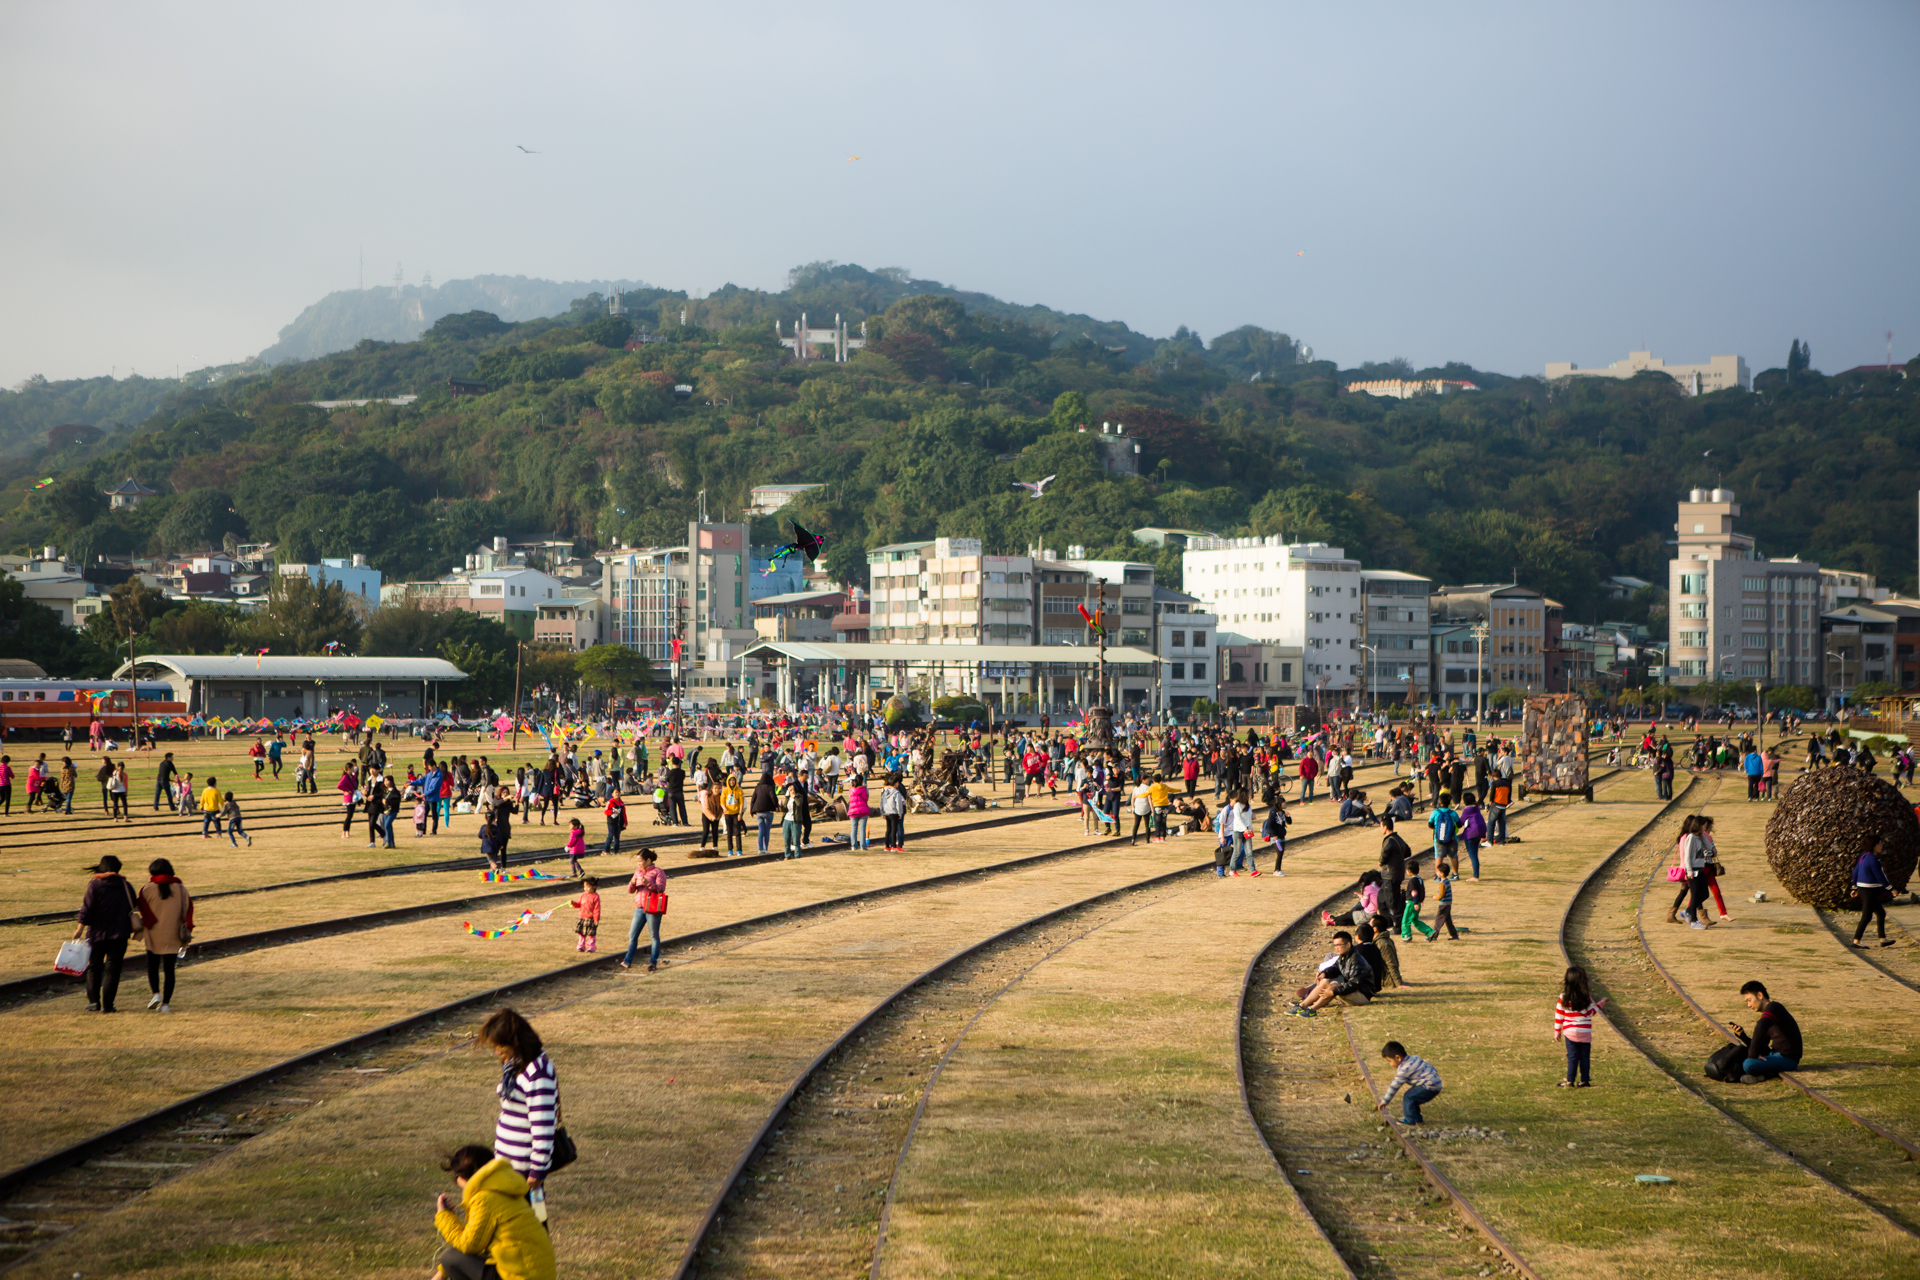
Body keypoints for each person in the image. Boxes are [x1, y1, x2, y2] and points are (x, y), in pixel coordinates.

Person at [431, 1143, 557, 1280]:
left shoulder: (484, 1199)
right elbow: (481, 1244)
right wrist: (441, 1274)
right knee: (453, 1258)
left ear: (465, 1176)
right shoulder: (504, 1187)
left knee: (449, 1257)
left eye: (456, 1176)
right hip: (537, 1273)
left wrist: (443, 1215)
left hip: (521, 1276)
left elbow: (469, 1245)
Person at [475, 1006, 559, 1194]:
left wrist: (537, 1170)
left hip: (523, 1171)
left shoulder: (538, 1073)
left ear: (515, 1042)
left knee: (527, 1222)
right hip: (508, 1166)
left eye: (500, 1046)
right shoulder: (517, 1066)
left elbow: (543, 1126)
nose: (497, 1052)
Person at [74, 854, 138, 1013]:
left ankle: (94, 1002)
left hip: (97, 935)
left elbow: (86, 909)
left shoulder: (94, 885)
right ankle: (108, 1005)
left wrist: (79, 929)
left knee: (94, 967)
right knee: (113, 969)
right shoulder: (126, 885)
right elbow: (133, 906)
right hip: (120, 934)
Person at [136, 857, 192, 1012]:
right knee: (169, 970)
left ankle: (156, 993)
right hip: (173, 933)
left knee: (152, 966)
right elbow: (187, 912)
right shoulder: (181, 889)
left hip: (153, 932)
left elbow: (140, 908)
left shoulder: (147, 889)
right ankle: (166, 1004)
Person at [1730, 980, 1802, 1082]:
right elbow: (1762, 1047)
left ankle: (1762, 1075)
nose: (1749, 1005)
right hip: (1775, 1055)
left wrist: (1752, 1056)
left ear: (1759, 995)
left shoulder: (1774, 1007)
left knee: (1748, 1064)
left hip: (1787, 1059)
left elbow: (1760, 1026)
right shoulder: (1769, 1016)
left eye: (1749, 1000)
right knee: (1742, 1057)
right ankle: (1761, 1076)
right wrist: (1743, 1036)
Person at [1291, 931, 1376, 1014]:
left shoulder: (1357, 960)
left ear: (1348, 945)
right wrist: (1324, 974)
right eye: (1335, 945)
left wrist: (1333, 992)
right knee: (1325, 981)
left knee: (1334, 986)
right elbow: (1335, 968)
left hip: (1362, 995)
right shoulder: (1344, 957)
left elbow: (1354, 984)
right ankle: (1302, 1006)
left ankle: (1312, 1010)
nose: (1336, 948)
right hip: (1351, 992)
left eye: (1339, 945)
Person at [1553, 964, 1606, 1087]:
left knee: (1572, 1056)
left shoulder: (1563, 997)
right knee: (1584, 1056)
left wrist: (1557, 1031)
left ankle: (1570, 1080)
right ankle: (1584, 1080)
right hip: (1585, 1032)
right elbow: (1590, 1013)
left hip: (1570, 1032)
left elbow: (1559, 1015)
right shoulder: (1586, 998)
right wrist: (1600, 1004)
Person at [619, 848, 668, 972]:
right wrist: (632, 882)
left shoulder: (658, 872)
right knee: (632, 935)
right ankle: (627, 961)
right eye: (638, 861)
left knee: (653, 936)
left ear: (648, 860)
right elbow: (630, 891)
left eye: (641, 861)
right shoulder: (637, 872)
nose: (639, 864)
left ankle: (653, 962)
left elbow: (661, 888)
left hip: (652, 908)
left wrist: (648, 884)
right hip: (639, 908)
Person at [1379, 1040, 1443, 1125]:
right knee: (1414, 1096)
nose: (1390, 1064)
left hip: (1429, 1086)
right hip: (1436, 1082)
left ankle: (1411, 1119)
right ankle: (1416, 1118)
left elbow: (1394, 1087)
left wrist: (1385, 1101)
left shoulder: (1404, 1070)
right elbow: (1428, 1065)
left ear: (1398, 1058)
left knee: (1409, 1097)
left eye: (1390, 1061)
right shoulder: (1414, 1058)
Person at [1851, 839, 1895, 948]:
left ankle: (1883, 939)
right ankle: (1856, 941)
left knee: (1880, 913)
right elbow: (1879, 876)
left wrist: (1854, 887)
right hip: (1869, 891)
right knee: (1866, 916)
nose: (1881, 846)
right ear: (1874, 845)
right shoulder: (1874, 859)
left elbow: (1855, 872)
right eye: (1879, 843)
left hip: (1862, 889)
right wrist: (1891, 889)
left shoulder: (1863, 857)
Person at [749, 770, 779, 856]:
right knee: (767, 831)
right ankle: (765, 848)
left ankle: (760, 849)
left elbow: (753, 799)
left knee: (761, 830)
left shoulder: (757, 787)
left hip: (758, 812)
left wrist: (751, 810)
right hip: (768, 812)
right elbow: (773, 797)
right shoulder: (769, 787)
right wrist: (776, 806)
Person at [880, 773, 908, 852]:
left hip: (887, 811)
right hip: (894, 812)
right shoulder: (896, 793)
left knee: (888, 829)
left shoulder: (885, 792)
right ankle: (893, 846)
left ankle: (887, 845)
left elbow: (881, 802)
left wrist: (882, 812)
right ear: (896, 783)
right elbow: (899, 804)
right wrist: (900, 813)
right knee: (894, 829)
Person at [571, 877, 600, 953]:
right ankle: (581, 946)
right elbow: (578, 904)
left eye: (588, 887)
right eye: (585, 887)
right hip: (582, 917)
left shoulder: (596, 897)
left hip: (590, 918)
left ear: (594, 886)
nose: (586, 889)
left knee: (591, 934)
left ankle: (591, 947)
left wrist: (596, 919)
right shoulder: (583, 895)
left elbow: (597, 909)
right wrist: (573, 903)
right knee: (581, 933)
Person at [847, 773, 872, 851]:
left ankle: (853, 846)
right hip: (863, 810)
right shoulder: (864, 789)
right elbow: (866, 798)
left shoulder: (851, 790)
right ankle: (862, 846)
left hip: (853, 810)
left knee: (853, 828)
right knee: (862, 829)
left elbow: (850, 799)